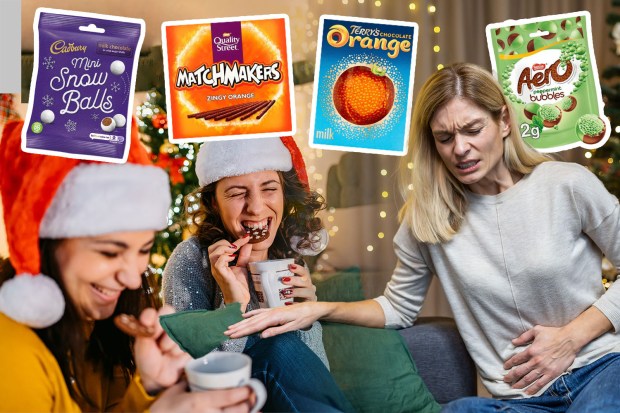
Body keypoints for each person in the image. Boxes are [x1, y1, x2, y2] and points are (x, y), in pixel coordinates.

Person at [225, 63, 620, 412]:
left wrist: (570, 338)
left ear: (503, 121)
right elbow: (398, 308)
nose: (460, 148)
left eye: (473, 129)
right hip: (521, 401)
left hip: (601, 371)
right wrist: (318, 309)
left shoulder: (566, 185)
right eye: (445, 137)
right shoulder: (428, 219)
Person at [0, 120, 258, 412]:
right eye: (110, 253)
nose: (133, 279)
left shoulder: (92, 328)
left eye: (144, 249)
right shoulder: (10, 353)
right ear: (41, 245)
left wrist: (148, 388)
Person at [162, 136, 352, 412]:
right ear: (214, 203)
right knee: (278, 345)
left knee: (284, 341)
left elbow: (316, 378)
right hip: (222, 403)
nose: (257, 207)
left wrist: (307, 317)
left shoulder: (287, 255)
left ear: (284, 194)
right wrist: (232, 306)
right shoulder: (190, 260)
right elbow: (196, 379)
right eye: (238, 193)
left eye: (269, 188)